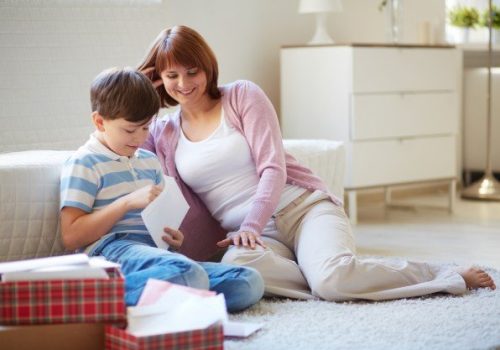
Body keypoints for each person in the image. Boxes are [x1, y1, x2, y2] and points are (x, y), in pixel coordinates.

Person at [138, 25, 496, 301]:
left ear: (207, 67)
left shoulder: (242, 95)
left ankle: (443, 274)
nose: (184, 83)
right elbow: (139, 157)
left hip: (302, 209)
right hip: (256, 241)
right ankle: (324, 272)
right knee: (237, 268)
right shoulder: (163, 132)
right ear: (160, 77)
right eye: (172, 75)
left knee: (333, 280)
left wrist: (250, 222)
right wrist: (143, 92)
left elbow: (273, 167)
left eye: (192, 72)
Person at [59, 67, 264, 311]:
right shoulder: (84, 163)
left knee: (248, 281)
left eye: (146, 128)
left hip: (155, 255)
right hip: (112, 251)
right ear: (100, 121)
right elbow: (71, 236)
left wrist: (173, 241)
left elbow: (160, 227)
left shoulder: (148, 160)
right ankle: (89, 298)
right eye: (129, 130)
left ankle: (170, 299)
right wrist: (126, 202)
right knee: (189, 274)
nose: (138, 138)